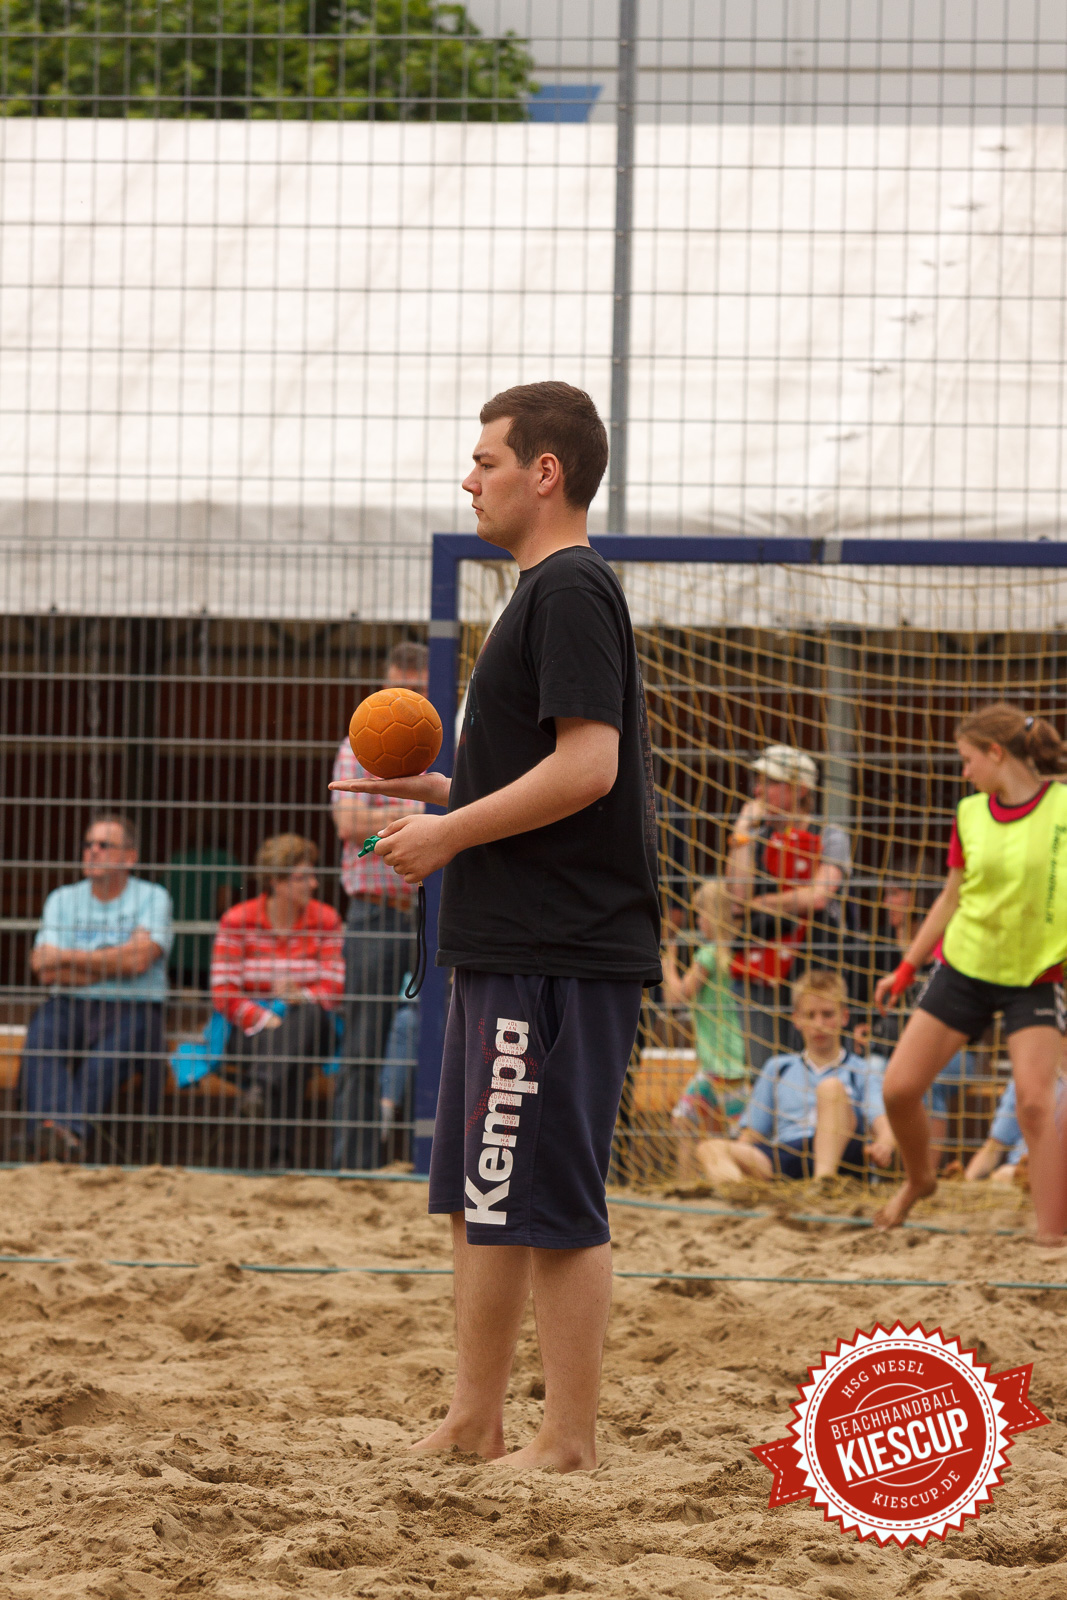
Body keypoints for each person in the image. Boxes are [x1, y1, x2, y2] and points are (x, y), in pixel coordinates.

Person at [330, 381, 661, 1473]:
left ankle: (566, 1439)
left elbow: (588, 767)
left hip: (558, 950)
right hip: (504, 945)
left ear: (544, 471)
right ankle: (476, 1416)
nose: (467, 478)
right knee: (480, 1195)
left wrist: (453, 833)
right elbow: (533, 765)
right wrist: (443, 789)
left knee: (552, 1202)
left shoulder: (568, 588)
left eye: (484, 460)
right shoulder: (533, 594)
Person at [873, 703, 1067, 1238]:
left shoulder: (1063, 808)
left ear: (995, 753)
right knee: (897, 1090)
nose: (964, 772)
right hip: (964, 968)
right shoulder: (971, 814)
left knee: (1034, 1103)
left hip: (1035, 976)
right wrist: (907, 967)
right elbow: (951, 897)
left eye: (966, 759)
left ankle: (1053, 1234)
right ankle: (919, 1181)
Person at [20, 813, 172, 1161]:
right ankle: (61, 1133)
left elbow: (139, 962)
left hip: (133, 1006)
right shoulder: (63, 898)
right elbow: (43, 968)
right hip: (70, 1003)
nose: (92, 851)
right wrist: (111, 960)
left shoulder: (153, 897)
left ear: (130, 857)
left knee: (102, 1063)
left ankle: (61, 1133)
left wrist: (69, 959)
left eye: (104, 845)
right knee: (42, 1039)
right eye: (88, 844)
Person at [330, 640, 428, 1169]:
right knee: (364, 1043)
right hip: (375, 909)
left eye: (417, 687)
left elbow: (359, 823)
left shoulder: (445, 741)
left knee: (443, 1037)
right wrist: (422, 818)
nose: (407, 696)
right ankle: (354, 1167)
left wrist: (382, 820)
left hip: (434, 911)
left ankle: (430, 1160)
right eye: (400, 686)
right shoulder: (362, 741)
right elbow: (347, 824)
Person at [210, 835, 344, 1168]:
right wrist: (261, 1016)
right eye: (302, 877)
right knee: (290, 1056)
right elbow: (223, 989)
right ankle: (279, 1160)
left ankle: (261, 1086)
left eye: (313, 875)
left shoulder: (326, 919)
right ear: (276, 881)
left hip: (313, 1028)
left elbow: (335, 986)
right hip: (252, 1031)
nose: (313, 884)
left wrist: (301, 995)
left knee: (306, 1018)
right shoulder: (238, 919)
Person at [693, 969, 895, 1185]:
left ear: (844, 1017)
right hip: (787, 1154)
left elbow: (883, 1123)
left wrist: (885, 1144)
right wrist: (738, 1158)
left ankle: (822, 1184)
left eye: (827, 1014)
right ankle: (739, 1194)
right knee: (710, 1149)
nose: (819, 1024)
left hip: (844, 1158)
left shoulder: (861, 1070)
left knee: (831, 1088)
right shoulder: (778, 1068)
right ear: (797, 1019)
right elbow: (751, 1135)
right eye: (810, 1015)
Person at [726, 744, 852, 1073]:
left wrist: (764, 903)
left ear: (800, 789)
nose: (757, 790)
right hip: (758, 968)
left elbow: (819, 896)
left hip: (813, 968)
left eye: (769, 781)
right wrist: (741, 833)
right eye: (758, 781)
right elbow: (738, 898)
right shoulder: (754, 838)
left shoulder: (829, 835)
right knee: (764, 1071)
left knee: (817, 1069)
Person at [661, 878, 748, 1137]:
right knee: (696, 1124)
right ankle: (695, 1177)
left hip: (722, 1062)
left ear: (714, 914)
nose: (697, 922)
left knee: (696, 1124)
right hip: (725, 1060)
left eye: (700, 915)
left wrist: (668, 962)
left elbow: (675, 999)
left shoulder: (707, 956)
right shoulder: (733, 951)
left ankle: (693, 1178)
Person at [964, 1077, 1066, 1184]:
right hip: (1013, 1174)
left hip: (1053, 1179)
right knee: (1001, 1176)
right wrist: (966, 1181)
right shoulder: (1024, 1080)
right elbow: (994, 1146)